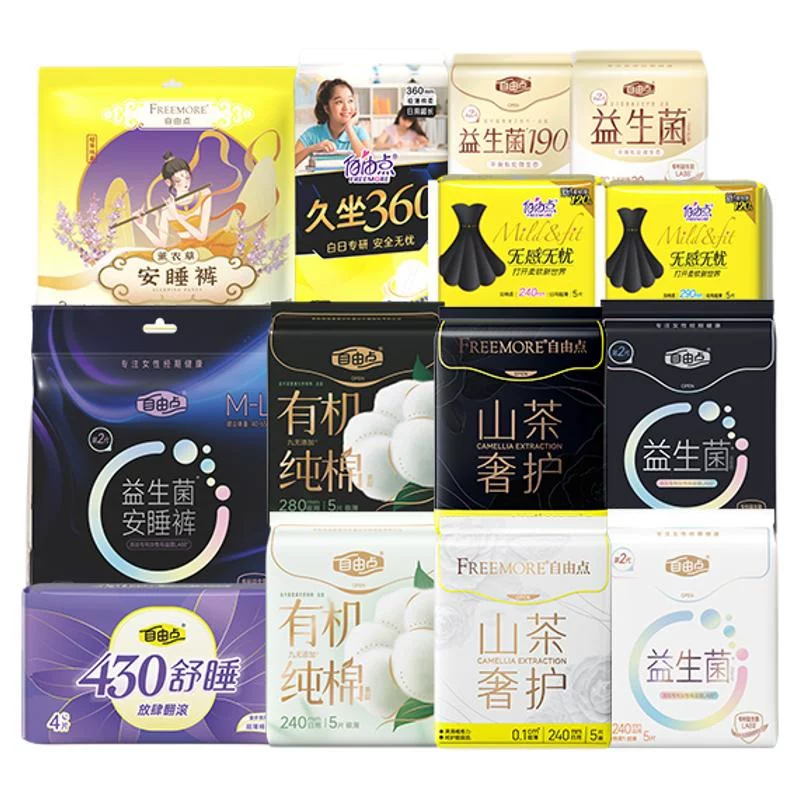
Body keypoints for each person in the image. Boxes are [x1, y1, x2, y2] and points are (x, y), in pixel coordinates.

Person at [295, 78, 371, 166]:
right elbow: (288, 164)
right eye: (339, 102)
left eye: (350, 101)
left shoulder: (359, 133)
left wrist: (349, 128)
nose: (346, 107)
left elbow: (369, 164)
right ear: (327, 108)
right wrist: (312, 149)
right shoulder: (312, 134)